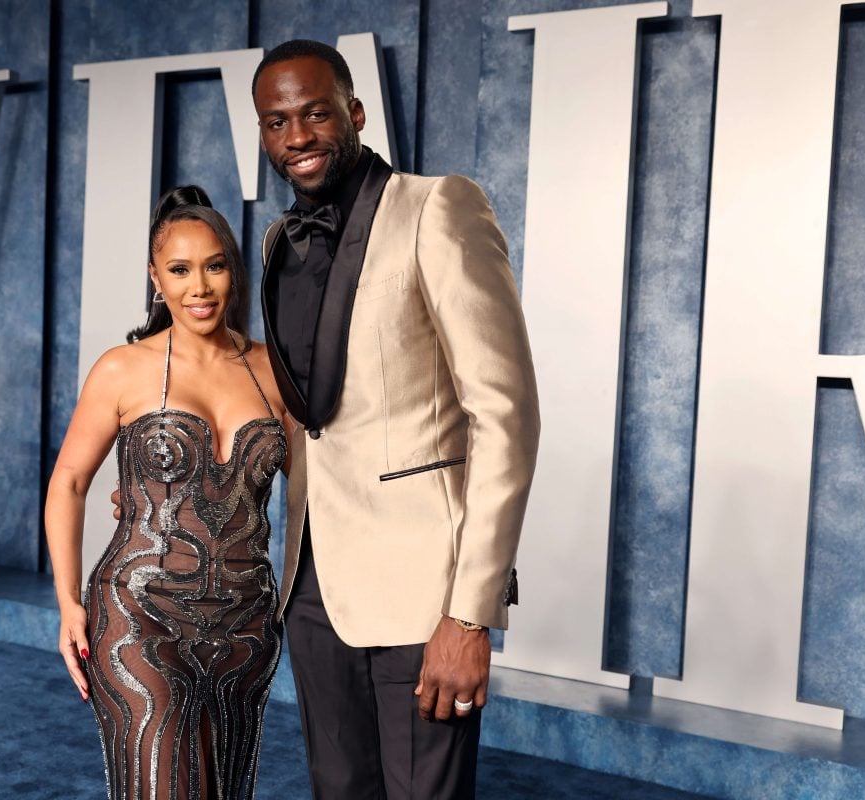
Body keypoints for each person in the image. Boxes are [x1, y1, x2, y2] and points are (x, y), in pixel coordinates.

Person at [251, 40, 540, 798]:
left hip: (423, 594)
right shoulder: (279, 241)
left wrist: (470, 615)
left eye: (315, 114)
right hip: (313, 589)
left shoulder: (438, 206)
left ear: (354, 112)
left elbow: (505, 416)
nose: (298, 137)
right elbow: (303, 420)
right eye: (276, 123)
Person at [45, 187, 290, 800]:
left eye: (213, 265)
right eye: (179, 270)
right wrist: (68, 603)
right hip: (138, 613)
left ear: (233, 268)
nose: (198, 287)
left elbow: (323, 490)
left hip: (246, 623)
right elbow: (69, 483)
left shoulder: (272, 370)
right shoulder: (122, 368)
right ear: (155, 278)